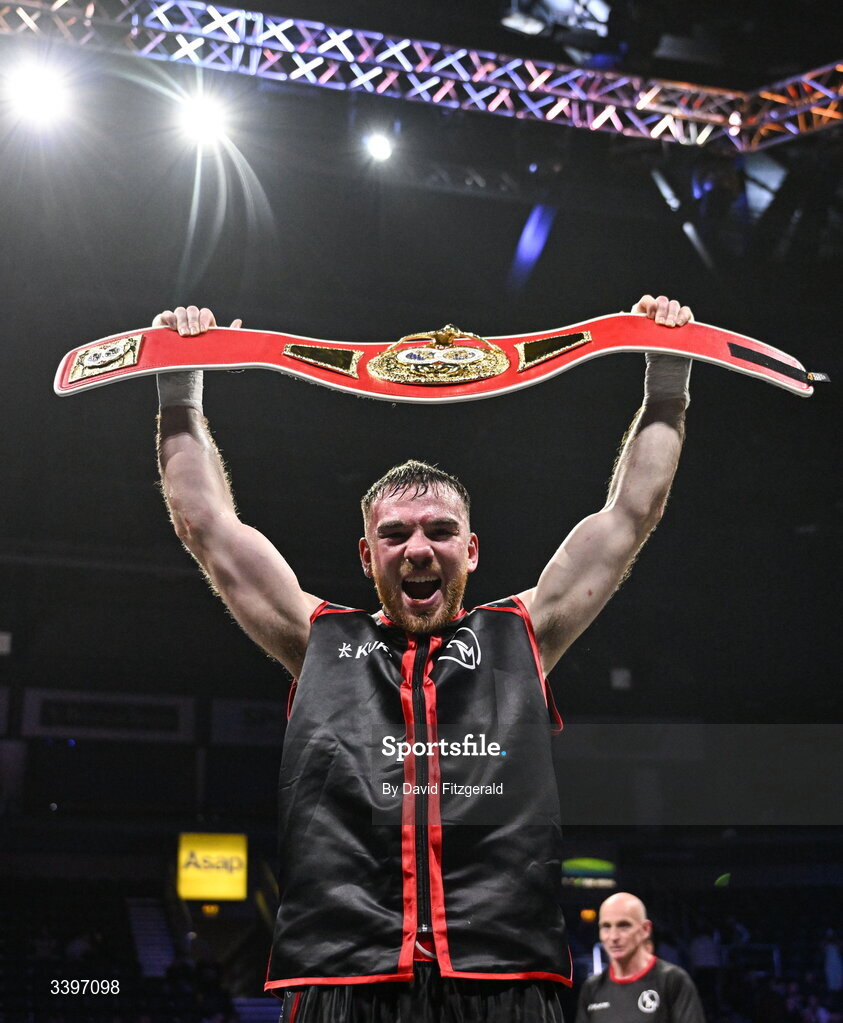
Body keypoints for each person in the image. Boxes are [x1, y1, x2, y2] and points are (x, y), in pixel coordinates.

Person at [155, 295, 694, 1022]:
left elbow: (631, 512)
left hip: (502, 978)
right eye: (396, 533)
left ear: (470, 550)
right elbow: (206, 525)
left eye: (440, 530)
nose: (418, 548)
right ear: (366, 554)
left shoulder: (521, 634)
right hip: (346, 979)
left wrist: (666, 375)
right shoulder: (320, 639)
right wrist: (179, 384)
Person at [576, 892, 705, 1022]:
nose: (613, 936)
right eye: (606, 926)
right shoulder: (591, 988)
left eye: (624, 925)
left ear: (645, 929)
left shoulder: (673, 981)